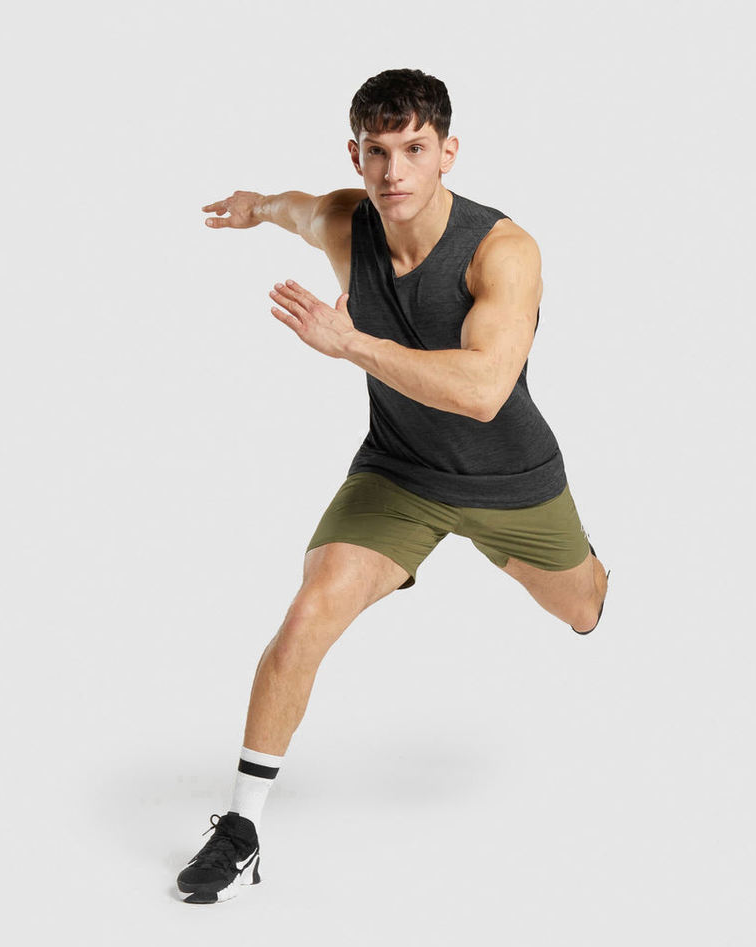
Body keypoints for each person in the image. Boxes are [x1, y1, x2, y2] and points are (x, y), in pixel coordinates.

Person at [176, 67, 610, 904]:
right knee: (307, 614)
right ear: (356, 155)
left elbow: (484, 391)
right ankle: (241, 827)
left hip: (509, 477)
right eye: (376, 152)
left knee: (583, 612)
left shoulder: (503, 250)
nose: (393, 171)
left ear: (449, 152)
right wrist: (253, 206)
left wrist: (352, 346)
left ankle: (579, 566)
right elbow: (295, 207)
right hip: (400, 469)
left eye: (414, 149)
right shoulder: (346, 220)